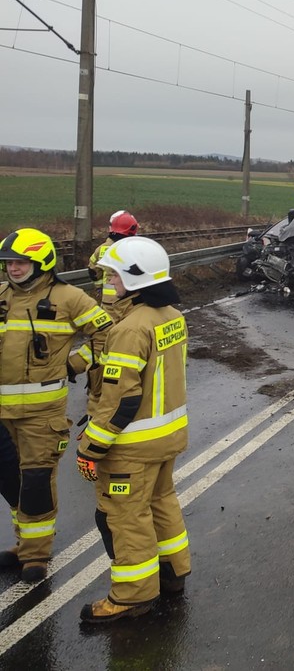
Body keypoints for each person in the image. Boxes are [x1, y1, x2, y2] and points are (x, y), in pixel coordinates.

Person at [75, 236, 191, 623]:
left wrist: (91, 446)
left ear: (133, 278)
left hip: (132, 445)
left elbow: (121, 400)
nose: (109, 282)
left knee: (125, 517)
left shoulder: (129, 329)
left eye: (113, 275)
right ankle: (172, 573)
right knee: (161, 503)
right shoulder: (172, 315)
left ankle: (131, 596)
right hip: (167, 437)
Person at [0, 228, 114, 583]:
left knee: (35, 481)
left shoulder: (70, 298)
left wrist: (75, 364)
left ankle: (36, 555)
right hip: (1, 415)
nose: (13, 269)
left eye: (21, 262)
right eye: (8, 263)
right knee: (9, 481)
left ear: (42, 262)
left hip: (42, 414)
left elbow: (106, 334)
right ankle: (23, 544)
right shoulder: (1, 296)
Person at [88, 210, 139, 302]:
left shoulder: (101, 248)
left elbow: (92, 270)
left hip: (107, 300)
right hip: (130, 298)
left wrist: (99, 286)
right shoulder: (134, 248)